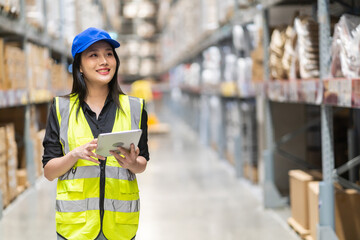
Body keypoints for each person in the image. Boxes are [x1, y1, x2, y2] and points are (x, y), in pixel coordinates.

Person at [42, 27, 149, 240]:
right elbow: (49, 171)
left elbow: (142, 162)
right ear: (79, 66)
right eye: (94, 55)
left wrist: (131, 163)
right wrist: (74, 155)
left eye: (109, 54)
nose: (104, 61)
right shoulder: (60, 109)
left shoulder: (135, 107)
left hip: (120, 227)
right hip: (75, 229)